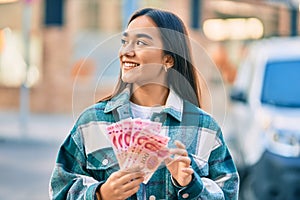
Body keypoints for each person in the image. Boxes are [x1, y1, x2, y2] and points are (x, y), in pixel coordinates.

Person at [49, 8, 239, 200]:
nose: (126, 52)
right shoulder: (92, 122)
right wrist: (100, 194)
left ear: (168, 59)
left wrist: (190, 185)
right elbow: (59, 190)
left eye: (140, 42)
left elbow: (228, 194)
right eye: (125, 42)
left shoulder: (205, 128)